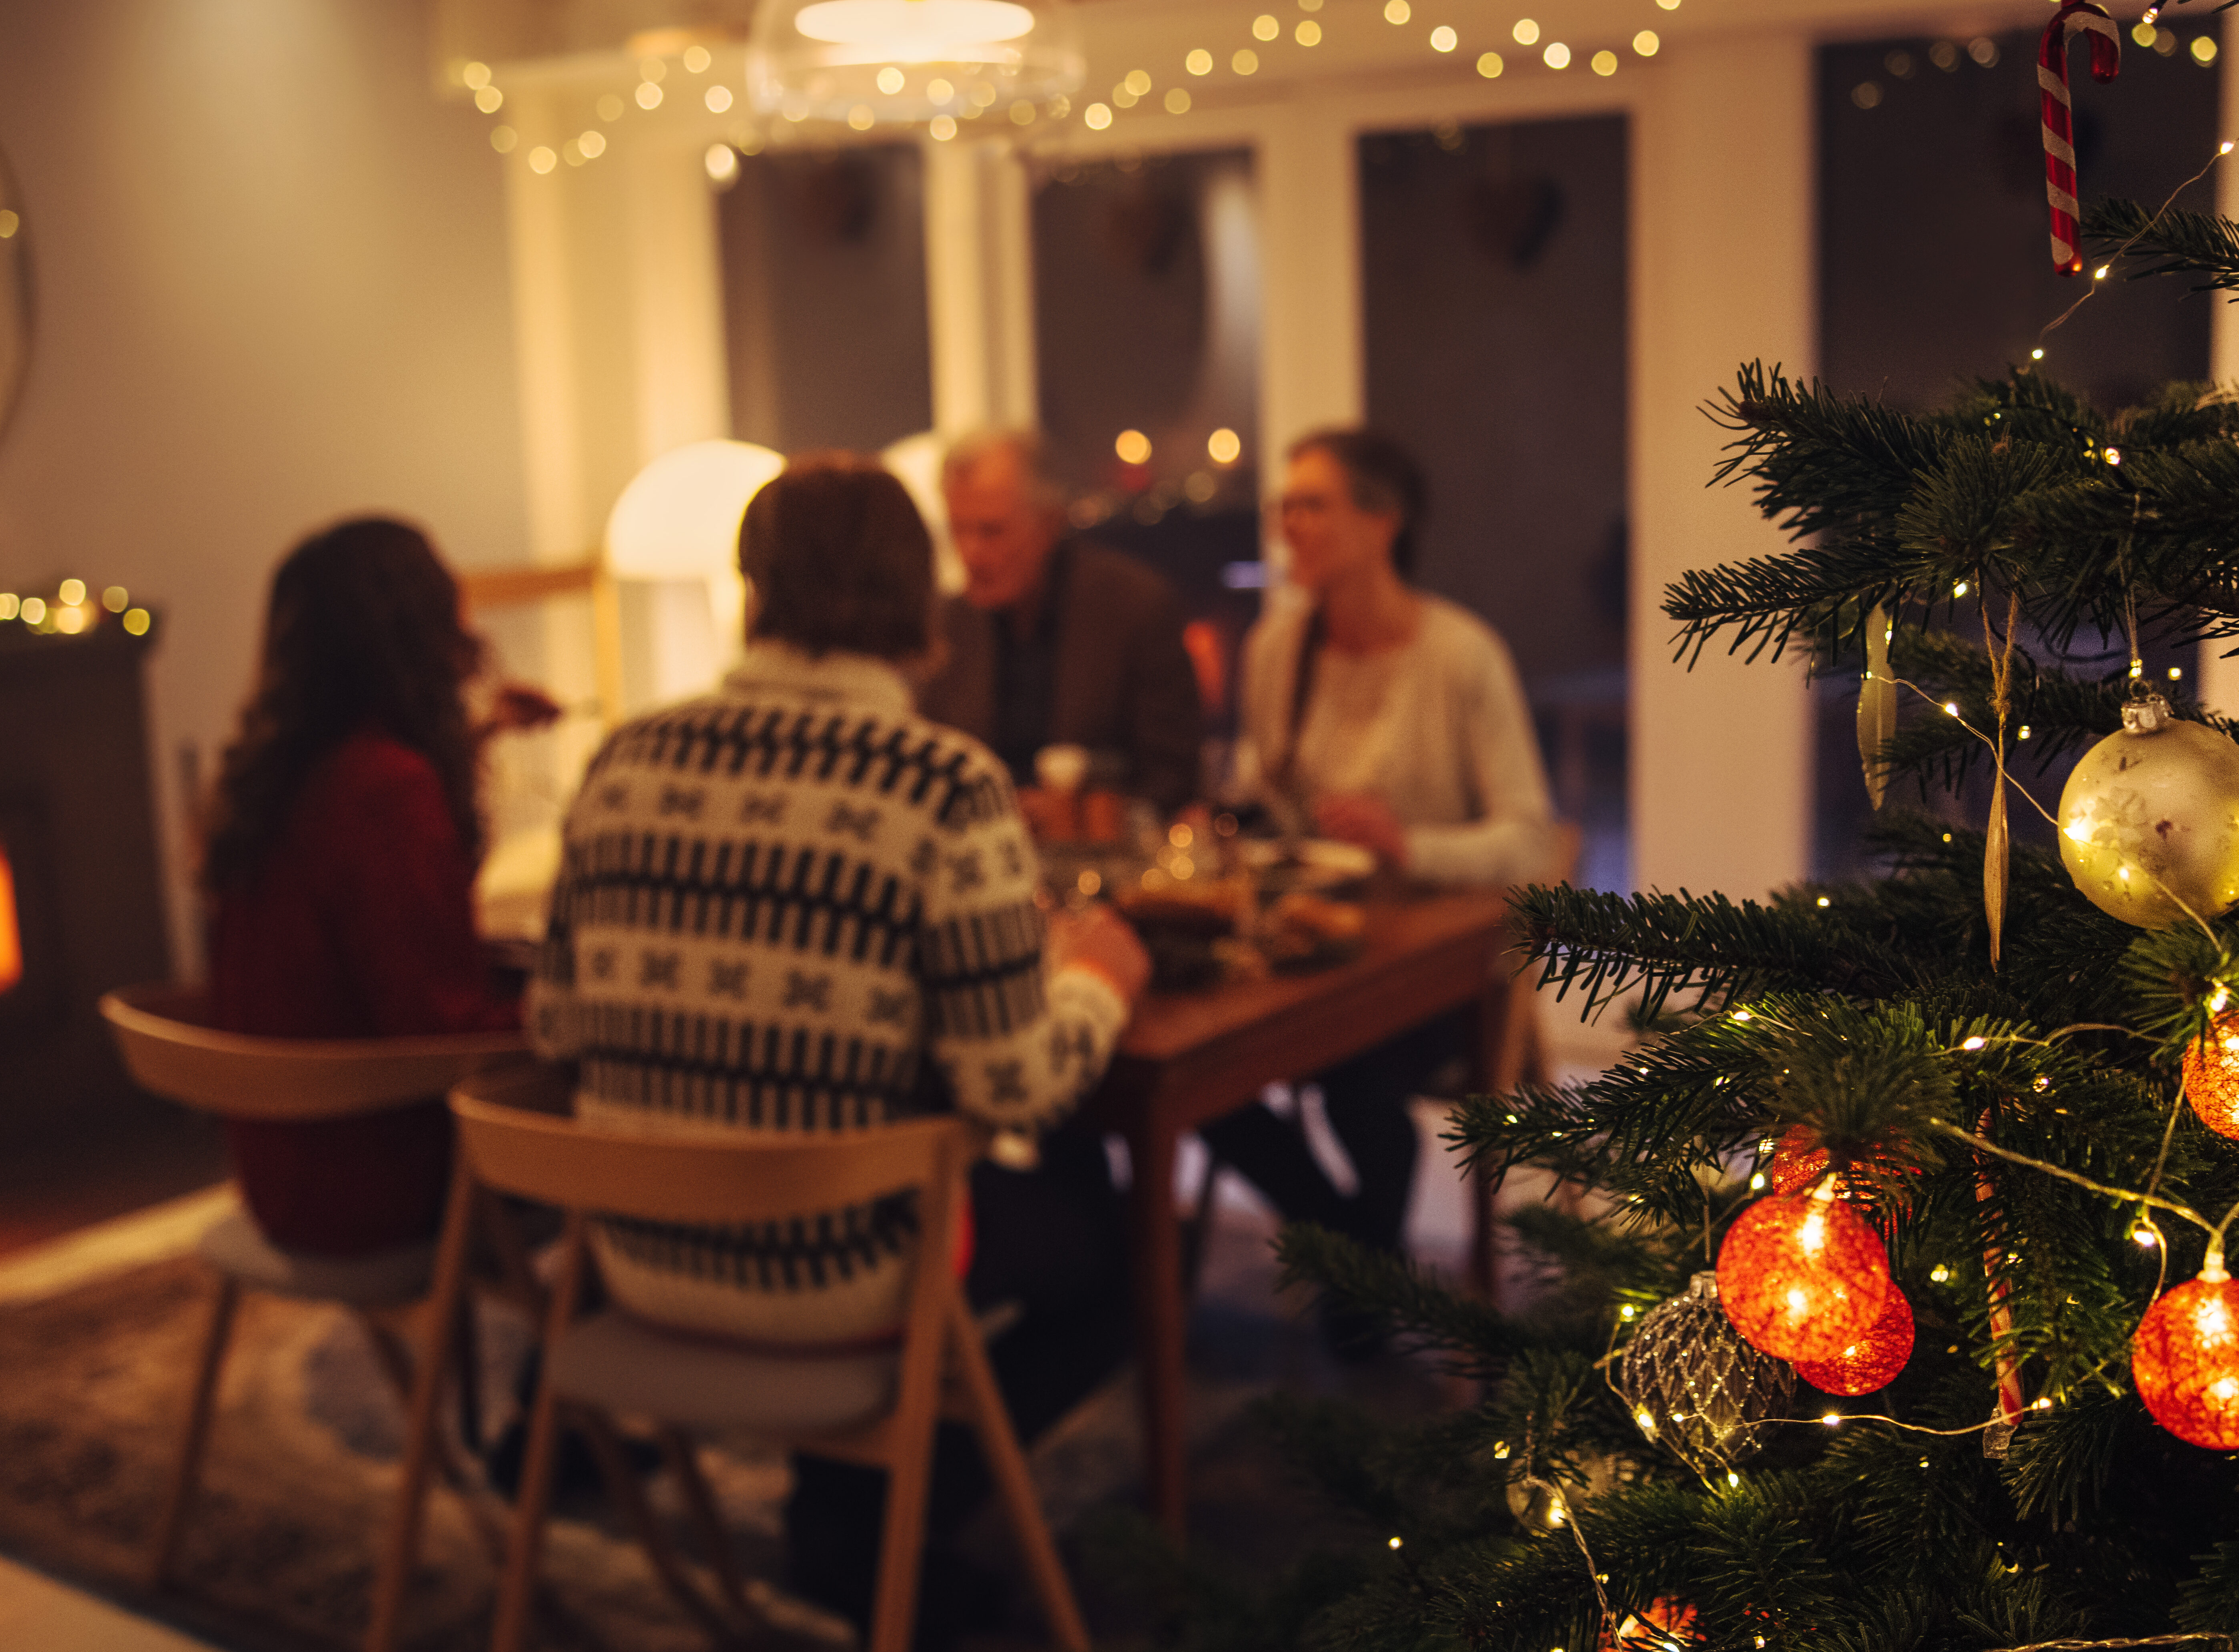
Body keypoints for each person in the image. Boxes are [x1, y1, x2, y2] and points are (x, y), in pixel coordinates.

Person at [527, 455, 1151, 1640]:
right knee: (1119, 1263)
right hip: (832, 1276)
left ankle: (849, 1522)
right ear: (917, 604)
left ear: (752, 592)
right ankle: (876, 1531)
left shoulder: (621, 759)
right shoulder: (941, 783)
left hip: (637, 1256)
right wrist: (1096, 986)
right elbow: (1012, 1084)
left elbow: (552, 1027)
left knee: (906, 1162)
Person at [1207, 428, 1557, 1265]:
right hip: (1317, 948)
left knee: (1354, 1089)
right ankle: (1351, 1252)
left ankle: (1354, 1275)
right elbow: (1266, 798)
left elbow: (1529, 842)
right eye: (1283, 506)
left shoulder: (1459, 655)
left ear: (1382, 522)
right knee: (1201, 1075)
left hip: (1441, 964)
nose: (1289, 525)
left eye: (1312, 505)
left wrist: (1409, 846)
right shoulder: (1276, 650)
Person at [201, 516, 553, 1256]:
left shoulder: (280, 777)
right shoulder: (386, 789)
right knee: (617, 1110)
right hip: (377, 1183)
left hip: (282, 1169)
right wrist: (569, 1014)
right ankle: (566, 1354)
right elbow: (439, 1024)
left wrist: (479, 734)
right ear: (418, 627)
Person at [917, 428, 1206, 813]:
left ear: (1050, 523)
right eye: (959, 530)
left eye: (991, 531)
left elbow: (1174, 778)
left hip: (1111, 863)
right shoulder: (946, 627)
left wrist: (1073, 813)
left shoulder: (1135, 609)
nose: (971, 553)